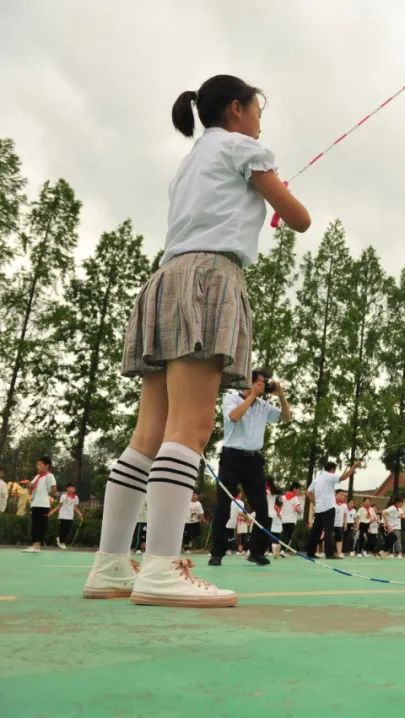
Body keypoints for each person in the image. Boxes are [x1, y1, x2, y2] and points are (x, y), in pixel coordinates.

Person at [83, 74, 310, 607]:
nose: (260, 119)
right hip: (211, 277)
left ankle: (111, 563)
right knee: (191, 424)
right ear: (235, 109)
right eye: (257, 108)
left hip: (168, 277)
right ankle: (162, 566)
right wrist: (277, 192)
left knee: (148, 433)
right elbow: (299, 218)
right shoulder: (247, 147)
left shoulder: (191, 160)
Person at [208, 369, 291, 568]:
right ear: (249, 382)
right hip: (231, 457)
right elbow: (234, 417)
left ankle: (256, 552)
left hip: (253, 460)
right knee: (223, 506)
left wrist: (281, 396)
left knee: (262, 508)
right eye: (260, 382)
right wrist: (251, 395)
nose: (263, 386)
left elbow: (286, 418)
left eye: (264, 383)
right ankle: (217, 552)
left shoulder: (264, 406)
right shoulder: (231, 399)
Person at [305, 461, 359, 559]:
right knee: (328, 531)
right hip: (329, 507)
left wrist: (315, 503)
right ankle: (329, 553)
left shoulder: (317, 479)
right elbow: (343, 477)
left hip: (319, 509)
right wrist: (354, 467)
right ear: (332, 469)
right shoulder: (330, 476)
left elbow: (308, 493)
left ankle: (310, 552)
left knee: (315, 531)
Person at [22, 456, 58, 553]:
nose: (37, 466)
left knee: (40, 525)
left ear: (47, 466)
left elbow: (54, 490)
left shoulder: (50, 476)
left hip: (44, 505)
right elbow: (31, 488)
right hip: (35, 503)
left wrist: (53, 491)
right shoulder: (37, 476)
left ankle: (37, 546)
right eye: (37, 464)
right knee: (34, 525)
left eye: (40, 464)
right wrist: (28, 483)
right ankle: (34, 545)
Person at [49, 484, 83, 550]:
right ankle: (62, 542)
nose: (71, 489)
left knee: (67, 530)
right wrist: (52, 512)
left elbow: (75, 508)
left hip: (70, 516)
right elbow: (59, 506)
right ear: (67, 489)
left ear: (74, 489)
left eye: (73, 488)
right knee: (63, 529)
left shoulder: (76, 498)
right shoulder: (63, 496)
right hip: (62, 515)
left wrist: (80, 514)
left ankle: (60, 539)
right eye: (70, 488)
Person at [279, 483, 304, 550]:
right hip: (291, 520)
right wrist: (299, 511)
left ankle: (281, 548)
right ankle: (282, 550)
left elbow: (279, 507)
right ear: (294, 489)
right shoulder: (295, 498)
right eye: (298, 489)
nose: (299, 491)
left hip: (284, 519)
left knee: (285, 534)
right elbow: (299, 510)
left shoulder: (283, 497)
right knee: (288, 535)